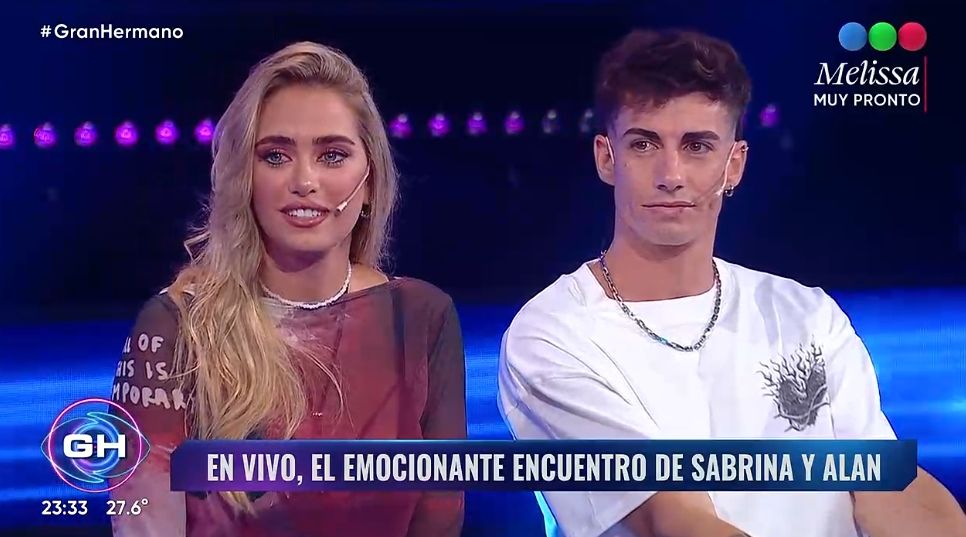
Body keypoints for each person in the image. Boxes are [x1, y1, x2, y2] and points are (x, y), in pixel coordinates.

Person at [497, 28, 966, 537]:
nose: (671, 174)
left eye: (697, 146)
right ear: (607, 158)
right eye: (644, 144)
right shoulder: (552, 336)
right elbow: (669, 518)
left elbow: (884, 483)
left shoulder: (806, 314)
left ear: (734, 164)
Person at [109, 41, 466, 537]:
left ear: (369, 181)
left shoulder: (421, 317)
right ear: (245, 177)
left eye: (332, 155)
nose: (304, 180)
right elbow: (144, 522)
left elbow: (439, 519)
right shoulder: (175, 328)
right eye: (275, 156)